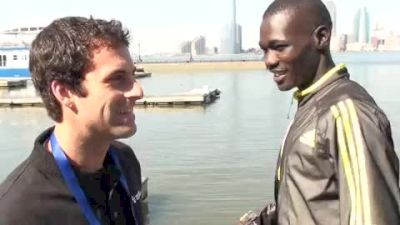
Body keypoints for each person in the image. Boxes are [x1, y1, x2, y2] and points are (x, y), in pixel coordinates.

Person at [240, 0, 400, 224]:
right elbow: (309, 198)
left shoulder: (348, 112)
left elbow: (374, 217)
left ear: (321, 38)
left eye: (279, 47)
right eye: (264, 49)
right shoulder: (311, 103)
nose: (268, 60)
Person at [0, 16, 144, 225]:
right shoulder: (17, 211)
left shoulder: (125, 160)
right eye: (117, 78)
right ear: (64, 92)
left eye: (132, 75)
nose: (138, 91)